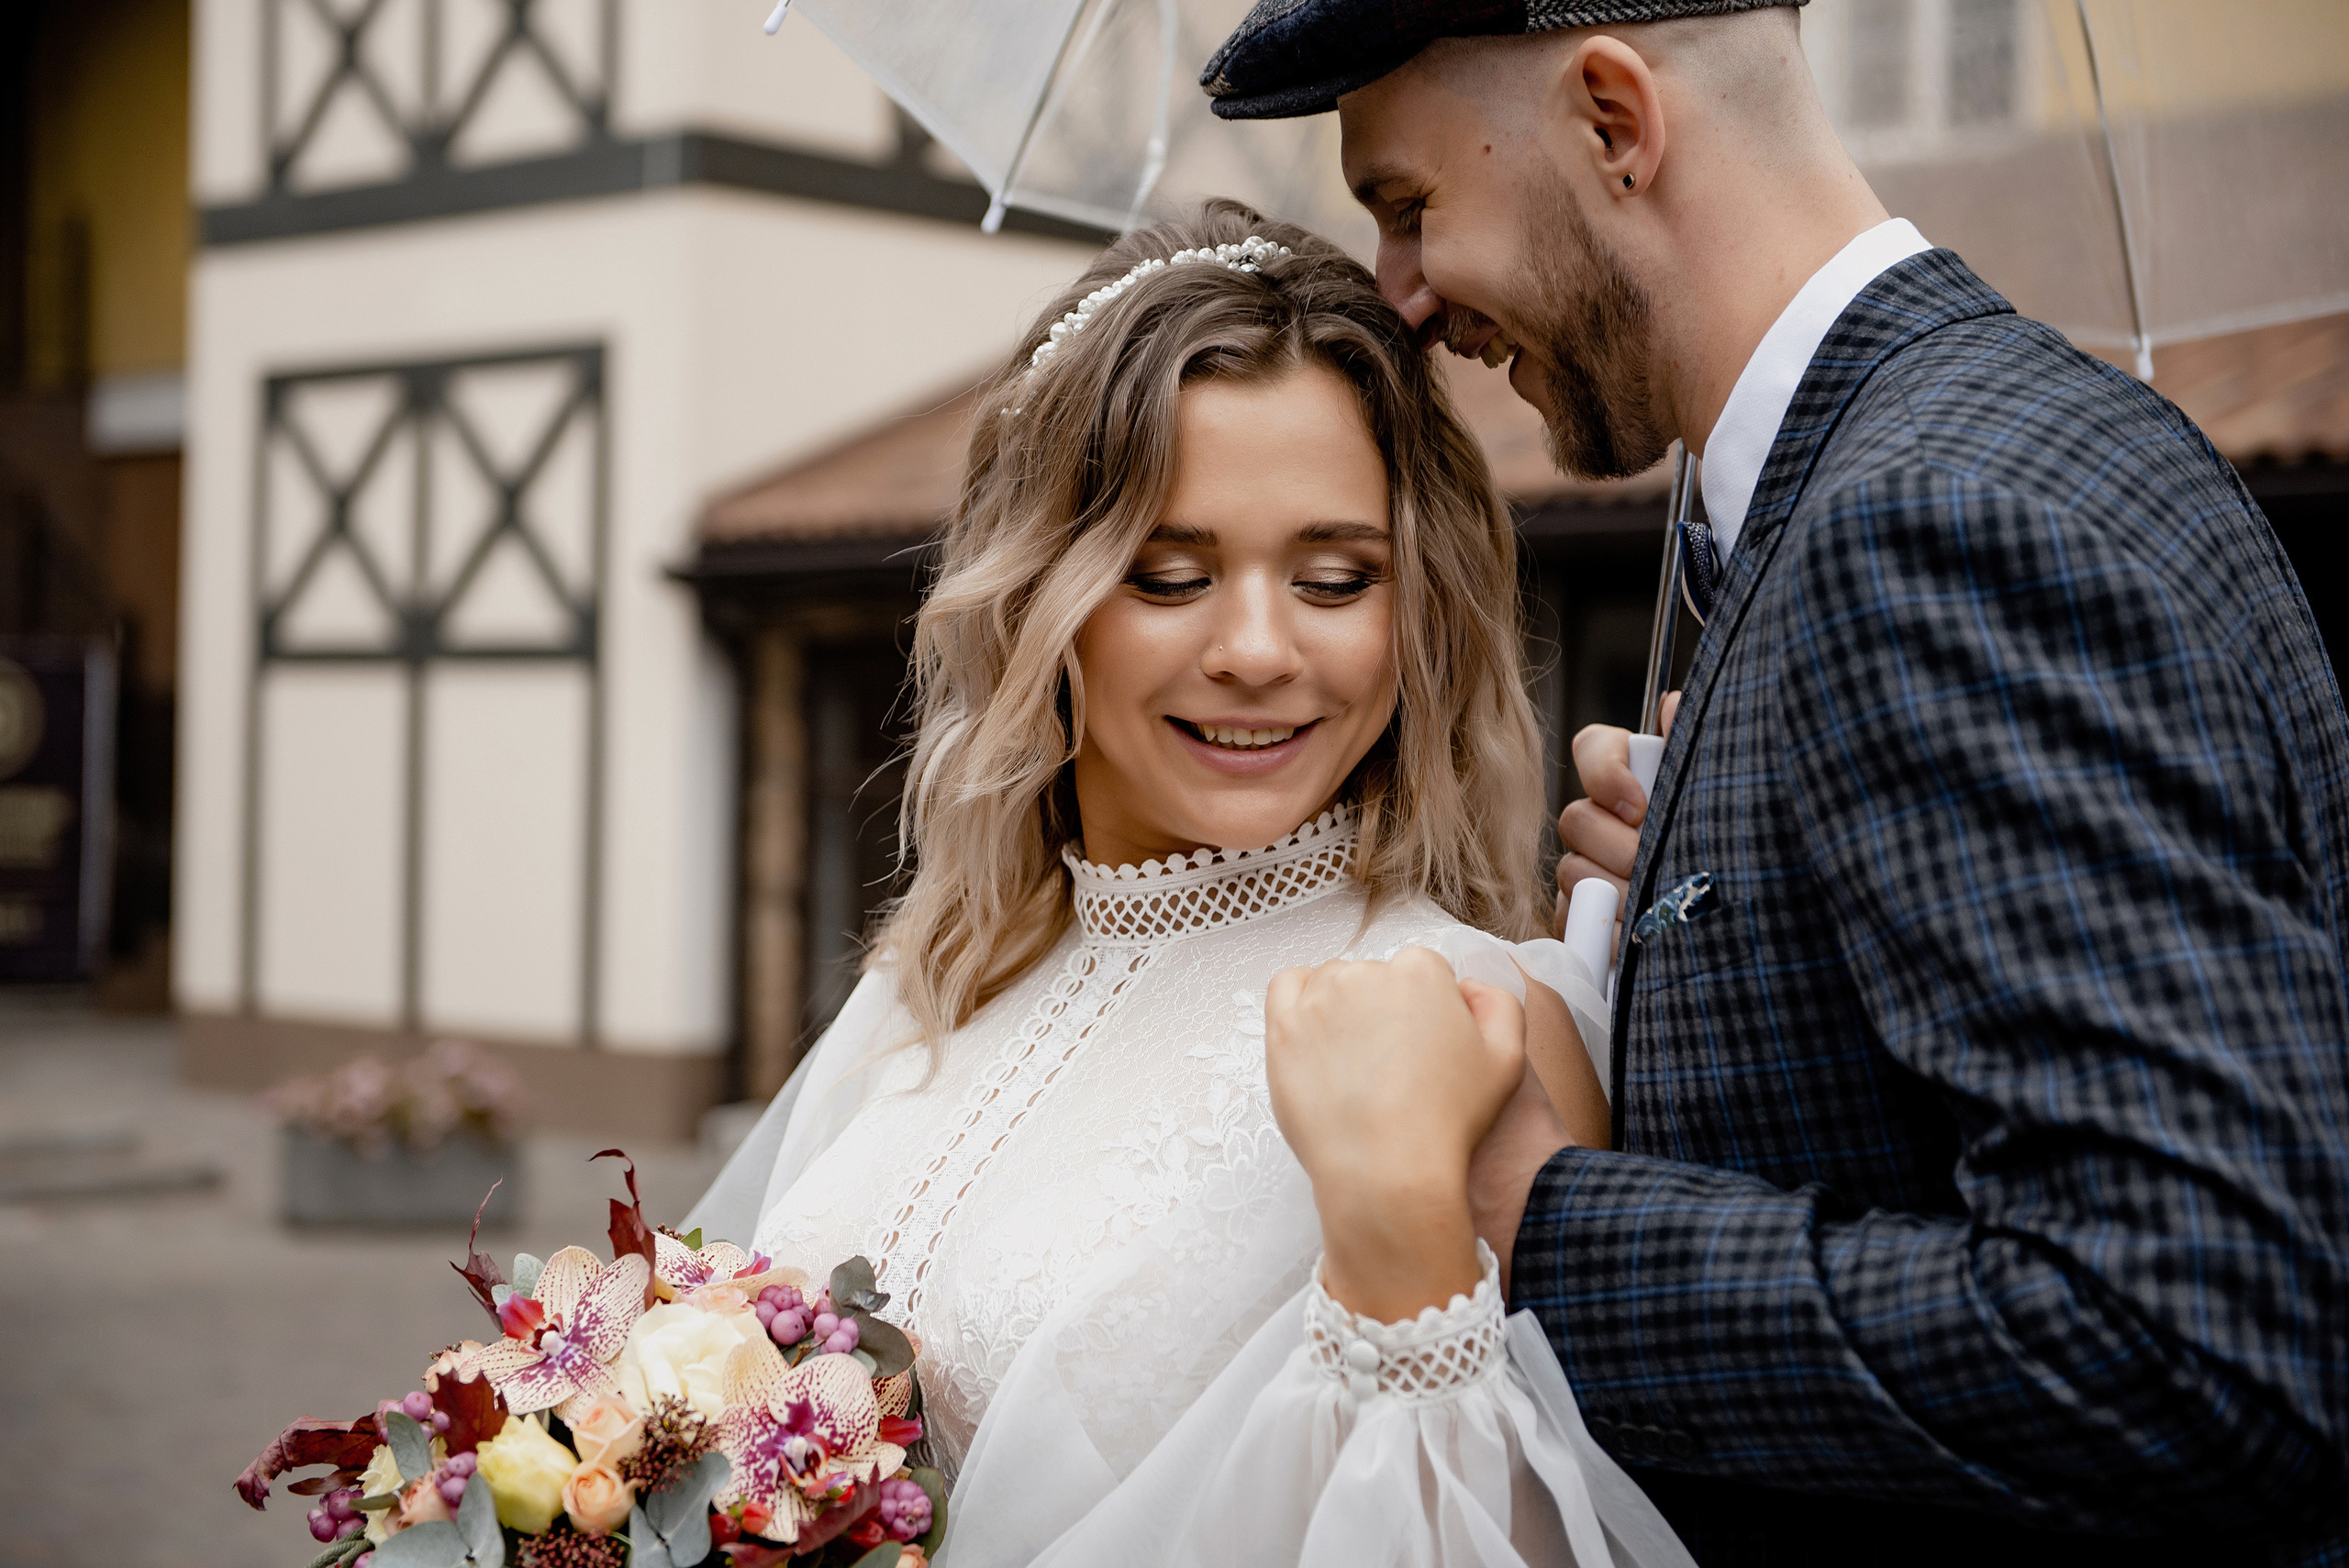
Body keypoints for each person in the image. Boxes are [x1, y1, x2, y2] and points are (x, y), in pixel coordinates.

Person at [1203, 3, 2349, 1565]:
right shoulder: (1934, 461)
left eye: (1408, 205)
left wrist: (1539, 1213)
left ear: (1614, 121)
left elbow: (2202, 1342)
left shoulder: (1932, 522)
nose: (1400, 292)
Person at [689, 202, 1689, 1566]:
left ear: (1416, 606)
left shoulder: (1477, 1020)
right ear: (1040, 598)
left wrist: (1401, 1256)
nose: (1259, 650)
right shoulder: (932, 983)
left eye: (1335, 579)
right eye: (1170, 575)